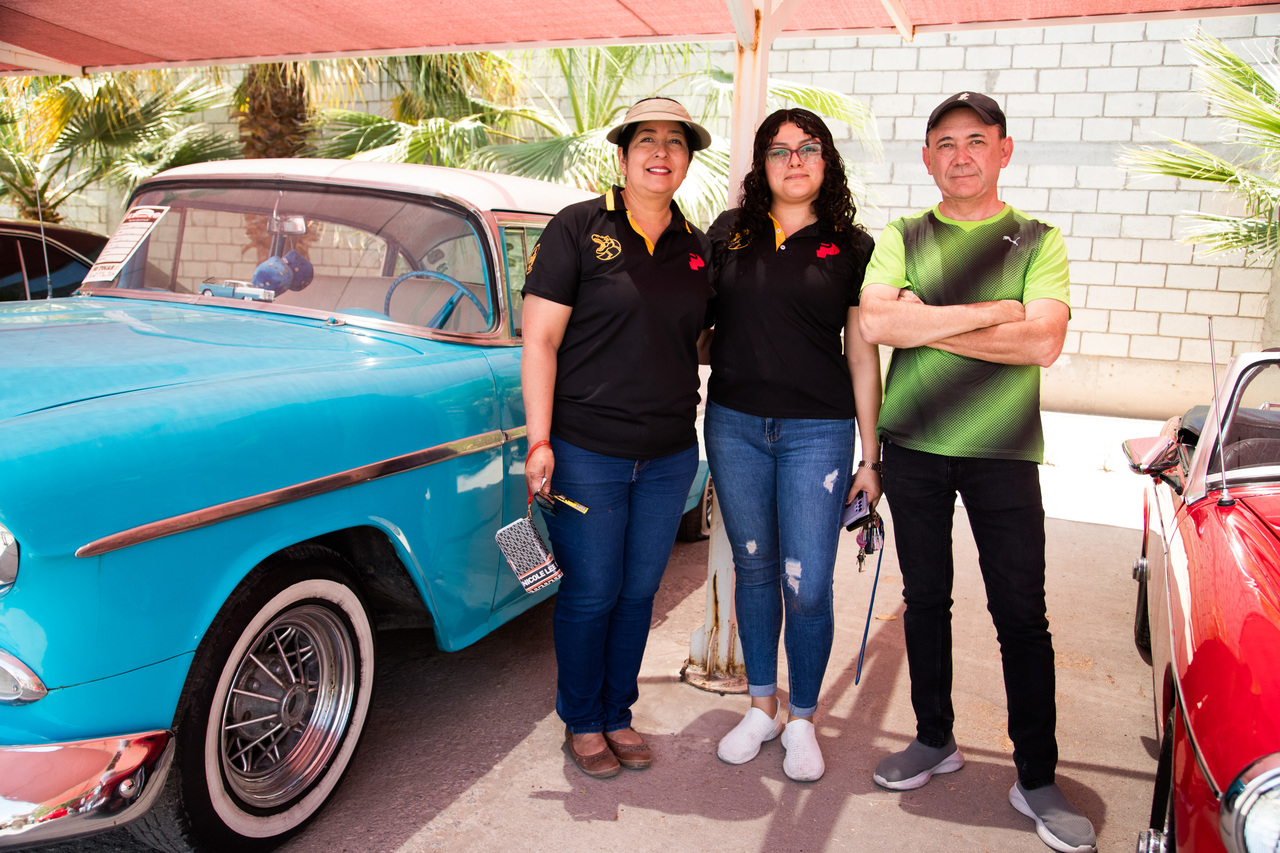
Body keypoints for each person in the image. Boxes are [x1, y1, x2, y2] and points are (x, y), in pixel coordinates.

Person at [858, 92, 1094, 853]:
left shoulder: (1037, 238)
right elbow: (877, 323)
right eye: (945, 143)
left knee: (1021, 612)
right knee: (925, 599)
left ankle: (1037, 775)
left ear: (1003, 151)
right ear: (927, 157)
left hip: (1003, 452)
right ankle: (935, 737)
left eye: (976, 141)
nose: (960, 155)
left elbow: (1042, 345)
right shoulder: (902, 233)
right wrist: (995, 311)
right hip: (916, 447)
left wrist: (935, 318)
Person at [521, 97, 714, 780]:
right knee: (593, 589)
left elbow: (703, 338)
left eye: (675, 143)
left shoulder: (698, 247)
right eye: (647, 141)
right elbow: (540, 339)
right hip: (587, 450)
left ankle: (617, 710)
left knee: (638, 592)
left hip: (668, 454)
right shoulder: (579, 226)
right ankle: (581, 718)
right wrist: (540, 440)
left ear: (689, 159)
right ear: (624, 153)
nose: (661, 152)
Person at [705, 108, 881, 782]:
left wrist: (872, 457)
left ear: (826, 160)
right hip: (735, 425)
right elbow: (698, 326)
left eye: (808, 148)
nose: (795, 160)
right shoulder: (730, 235)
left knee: (806, 581)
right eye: (779, 151)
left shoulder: (852, 247)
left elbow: (863, 358)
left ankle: (803, 716)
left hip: (817, 433)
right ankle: (762, 705)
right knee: (754, 567)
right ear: (762, 164)